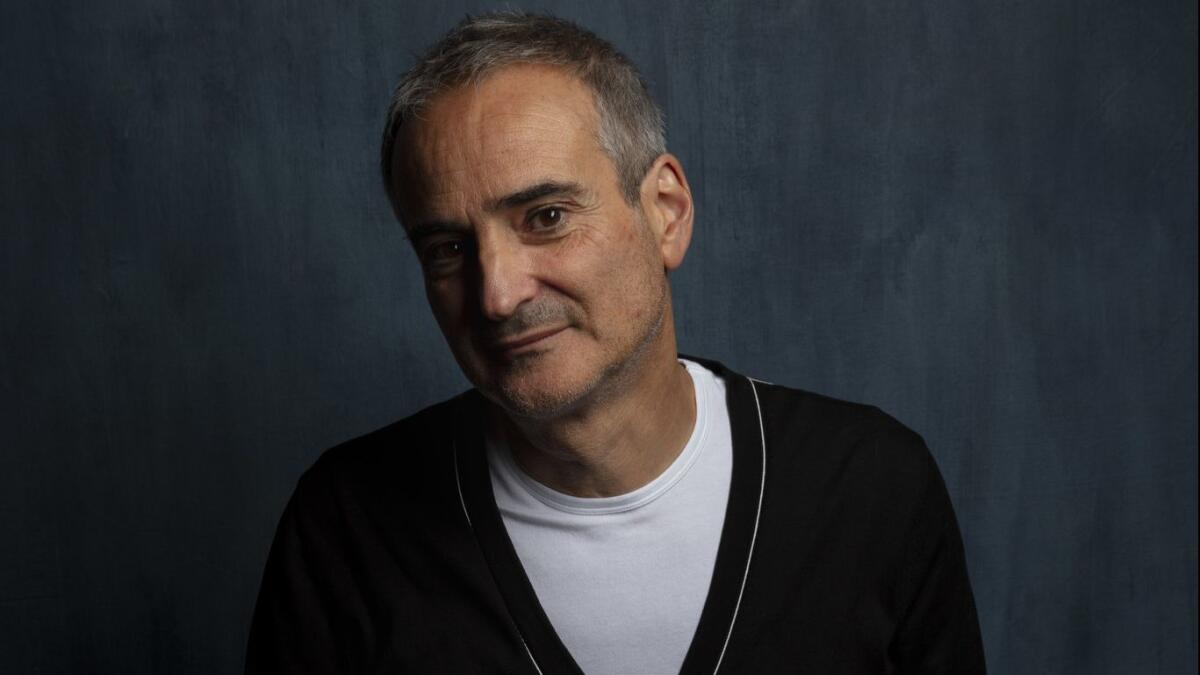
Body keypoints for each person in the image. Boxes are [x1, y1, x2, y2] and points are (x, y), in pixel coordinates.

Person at [246, 11, 986, 674]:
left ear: (665, 211)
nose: (497, 293)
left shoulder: (871, 488)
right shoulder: (345, 527)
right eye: (447, 249)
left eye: (546, 217)